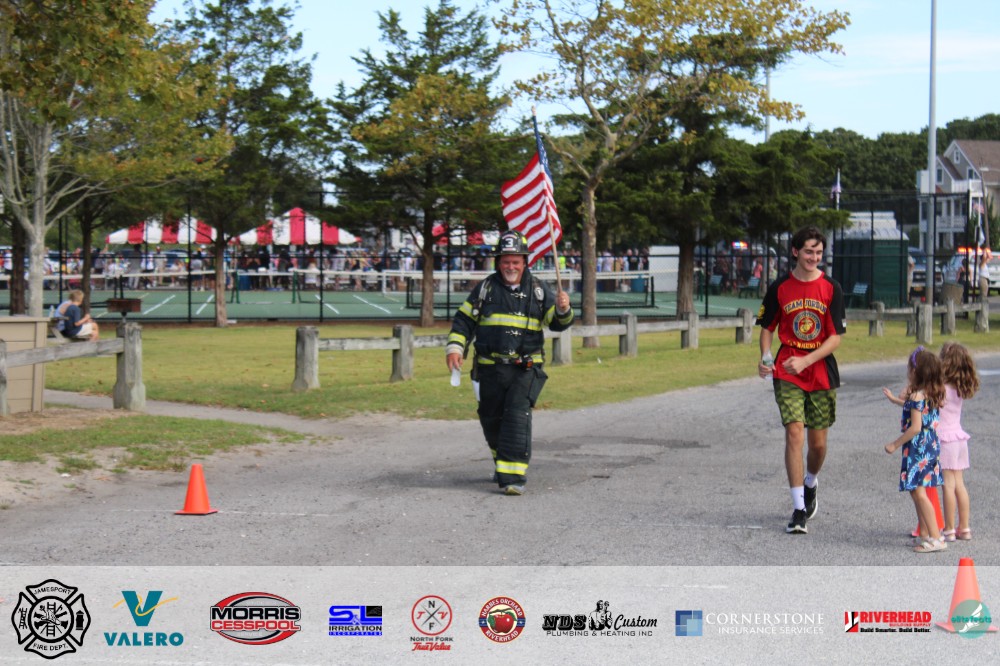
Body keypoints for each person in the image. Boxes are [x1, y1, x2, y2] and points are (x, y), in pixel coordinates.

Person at [446, 230, 574, 495]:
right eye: (506, 261)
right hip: (489, 368)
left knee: (516, 415)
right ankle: (502, 462)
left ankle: (513, 478)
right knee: (490, 418)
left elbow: (556, 323)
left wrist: (563, 310)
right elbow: (464, 320)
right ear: (498, 262)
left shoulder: (539, 289)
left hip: (525, 368)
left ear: (525, 262)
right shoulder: (485, 288)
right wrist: (456, 348)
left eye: (516, 261)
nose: (511, 267)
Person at [756, 226, 846, 534]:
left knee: (817, 445)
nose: (814, 257)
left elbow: (835, 338)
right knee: (795, 432)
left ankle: (811, 482)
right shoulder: (779, 287)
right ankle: (798, 509)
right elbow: (767, 328)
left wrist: (806, 360)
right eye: (809, 251)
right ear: (795, 251)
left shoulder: (832, 288)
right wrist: (766, 356)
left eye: (818, 252)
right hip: (787, 370)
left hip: (819, 370)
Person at [881, 347, 946, 553]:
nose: (908, 372)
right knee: (917, 491)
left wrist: (895, 444)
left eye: (910, 368)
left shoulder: (918, 395)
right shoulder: (930, 393)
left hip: (918, 448)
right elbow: (915, 408)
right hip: (929, 446)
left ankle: (936, 538)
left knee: (918, 492)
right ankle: (925, 533)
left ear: (917, 372)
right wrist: (895, 400)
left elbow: (916, 427)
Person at [937, 342, 980, 542]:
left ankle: (948, 529)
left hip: (945, 440)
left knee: (948, 485)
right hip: (960, 439)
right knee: (960, 485)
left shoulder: (940, 388)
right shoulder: (960, 388)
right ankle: (964, 527)